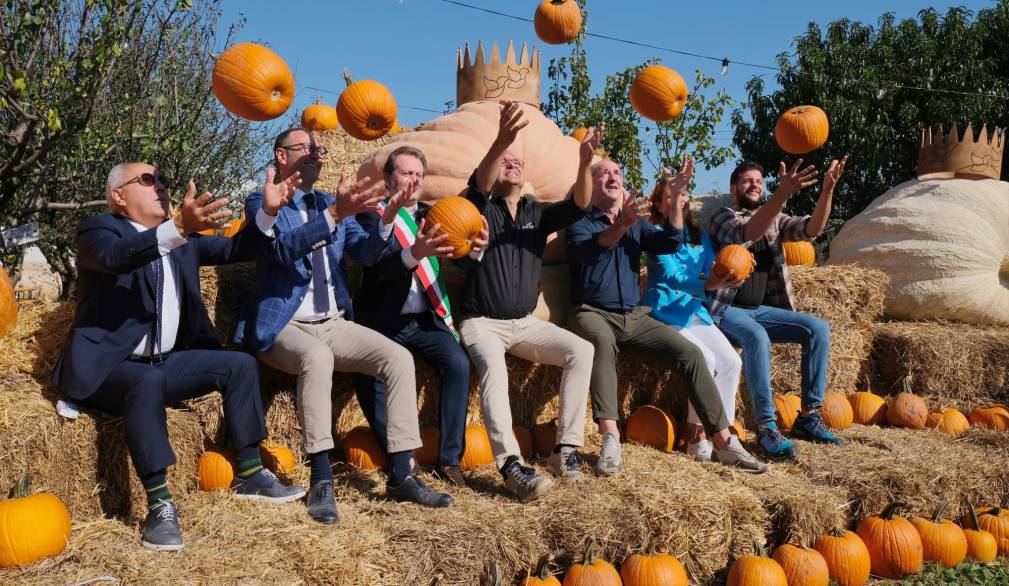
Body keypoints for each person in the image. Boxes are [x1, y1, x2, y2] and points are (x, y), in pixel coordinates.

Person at [52, 162, 305, 552]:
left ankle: (251, 473)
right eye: (147, 180)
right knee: (146, 380)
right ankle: (159, 505)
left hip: (164, 362)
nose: (161, 186)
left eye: (164, 179)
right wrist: (175, 229)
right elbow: (117, 257)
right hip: (108, 370)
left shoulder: (181, 241)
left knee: (238, 365)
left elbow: (237, 248)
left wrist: (267, 213)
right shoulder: (98, 231)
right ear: (118, 196)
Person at [235, 128, 453, 524]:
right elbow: (282, 250)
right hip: (286, 326)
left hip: (333, 322)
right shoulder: (261, 203)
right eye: (306, 147)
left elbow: (368, 254)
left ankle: (402, 472)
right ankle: (321, 476)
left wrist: (387, 218)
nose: (316, 153)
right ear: (281, 157)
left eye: (319, 148)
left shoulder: (333, 202)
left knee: (397, 358)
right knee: (317, 358)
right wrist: (333, 216)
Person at [567, 151, 767, 475]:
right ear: (590, 186)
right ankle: (610, 437)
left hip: (633, 315)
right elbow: (596, 246)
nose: (613, 177)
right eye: (604, 173)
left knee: (692, 355)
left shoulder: (638, 226)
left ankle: (723, 440)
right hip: (593, 312)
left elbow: (672, 241)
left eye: (617, 172)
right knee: (601, 344)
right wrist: (623, 223)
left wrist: (674, 199)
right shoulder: (581, 223)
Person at [456, 101, 595, 502]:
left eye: (517, 161)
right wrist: (502, 139)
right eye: (505, 161)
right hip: (481, 322)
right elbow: (480, 182)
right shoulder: (480, 208)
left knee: (580, 350)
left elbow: (580, 205)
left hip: (524, 322)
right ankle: (510, 466)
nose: (512, 163)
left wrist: (584, 161)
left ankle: (564, 450)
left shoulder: (538, 213)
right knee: (494, 373)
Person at [352, 145, 488, 488]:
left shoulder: (436, 213)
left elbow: (456, 258)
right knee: (366, 376)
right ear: (387, 179)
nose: (413, 180)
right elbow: (377, 267)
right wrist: (414, 253)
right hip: (384, 319)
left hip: (425, 320)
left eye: (418, 174)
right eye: (405, 173)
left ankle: (449, 459)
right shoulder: (372, 214)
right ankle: (401, 454)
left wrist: (475, 251)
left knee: (458, 364)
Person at [708, 157, 848, 461]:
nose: (755, 185)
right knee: (757, 337)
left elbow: (812, 229)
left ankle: (809, 416)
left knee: (818, 328)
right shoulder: (722, 216)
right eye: (747, 181)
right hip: (727, 310)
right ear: (734, 189)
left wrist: (827, 191)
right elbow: (749, 233)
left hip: (761, 308)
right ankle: (767, 426)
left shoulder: (775, 216)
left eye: (759, 181)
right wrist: (781, 194)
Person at [641, 158, 748, 462]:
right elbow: (672, 277)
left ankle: (723, 436)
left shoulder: (700, 239)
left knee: (730, 361)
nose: (682, 200)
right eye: (673, 196)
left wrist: (723, 275)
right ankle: (695, 435)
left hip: (692, 311)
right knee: (706, 358)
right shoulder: (654, 234)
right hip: (663, 311)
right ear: (660, 206)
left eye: (685, 194)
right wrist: (708, 283)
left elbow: (706, 271)